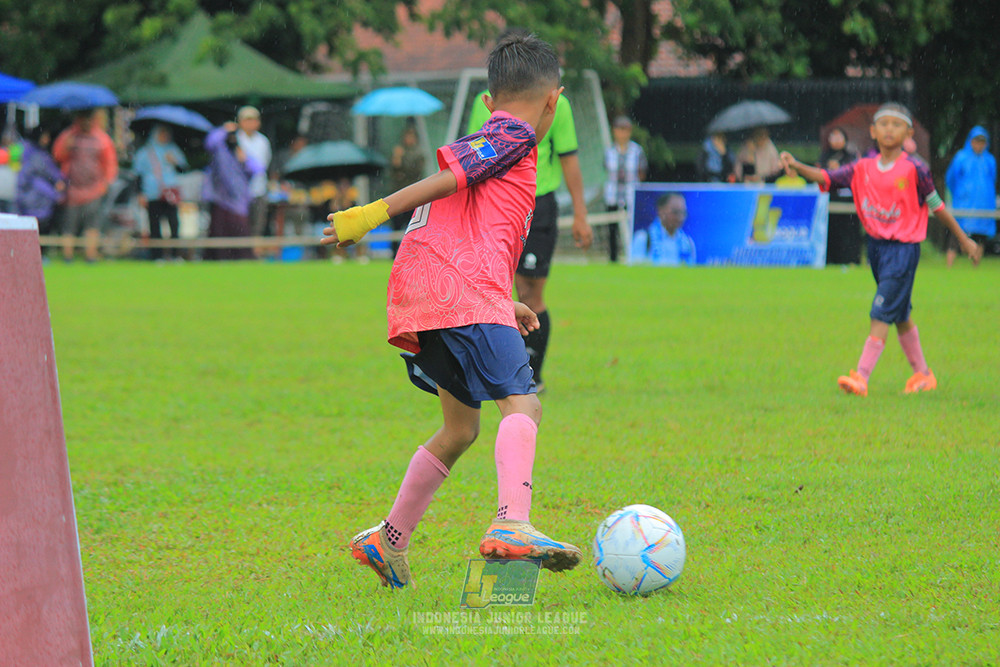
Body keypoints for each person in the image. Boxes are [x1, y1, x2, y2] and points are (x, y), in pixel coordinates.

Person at [323, 33, 582, 589]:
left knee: (460, 428)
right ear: (554, 103)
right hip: (455, 288)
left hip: (433, 290)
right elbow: (451, 177)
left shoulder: (495, 134)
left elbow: (467, 217)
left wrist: (502, 299)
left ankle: (387, 539)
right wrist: (372, 213)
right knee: (524, 405)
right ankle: (513, 523)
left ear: (487, 100)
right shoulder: (513, 132)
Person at [780, 102, 983, 396]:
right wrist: (798, 166)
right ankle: (923, 375)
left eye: (896, 124)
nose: (889, 129)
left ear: (908, 132)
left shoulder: (916, 168)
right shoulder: (861, 167)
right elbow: (826, 178)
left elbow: (937, 206)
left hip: (903, 250)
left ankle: (861, 377)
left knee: (880, 310)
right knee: (899, 315)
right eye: (883, 124)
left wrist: (964, 239)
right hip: (875, 249)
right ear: (873, 131)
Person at [467, 31, 593, 394]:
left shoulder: (559, 107)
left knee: (530, 293)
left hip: (539, 205)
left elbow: (569, 160)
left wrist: (581, 213)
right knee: (494, 292)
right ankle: (493, 369)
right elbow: (473, 162)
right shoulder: (482, 103)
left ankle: (530, 375)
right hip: (496, 206)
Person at [51, 109, 118, 262]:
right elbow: (57, 155)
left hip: (94, 190)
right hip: (72, 190)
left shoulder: (102, 139)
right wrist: (67, 145)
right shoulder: (68, 136)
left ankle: (90, 255)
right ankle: (67, 256)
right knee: (69, 225)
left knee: (92, 226)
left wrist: (106, 183)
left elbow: (109, 163)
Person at [202, 122, 263, 260]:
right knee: (219, 235)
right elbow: (210, 142)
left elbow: (259, 169)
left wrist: (245, 160)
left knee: (240, 235)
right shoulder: (220, 151)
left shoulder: (242, 153)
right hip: (221, 200)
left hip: (239, 203)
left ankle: (242, 260)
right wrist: (224, 129)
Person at [132, 124, 188, 260]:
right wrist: (140, 194)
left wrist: (174, 161)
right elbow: (138, 175)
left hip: (170, 193)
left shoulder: (172, 149)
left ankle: (175, 255)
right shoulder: (145, 152)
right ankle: (157, 256)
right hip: (153, 193)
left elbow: (183, 169)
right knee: (155, 226)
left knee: (174, 224)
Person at [945, 126, 996, 267]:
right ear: (970, 141)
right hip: (963, 204)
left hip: (983, 205)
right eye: (976, 141)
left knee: (980, 237)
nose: (979, 145)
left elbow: (992, 180)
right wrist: (960, 194)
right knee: (956, 235)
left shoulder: (990, 160)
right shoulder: (961, 157)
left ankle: (975, 266)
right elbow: (951, 179)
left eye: (982, 142)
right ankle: (949, 268)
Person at [602, 115, 647, 262]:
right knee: (612, 230)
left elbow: (642, 172)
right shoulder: (609, 151)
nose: (622, 134)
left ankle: (631, 257)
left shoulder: (637, 151)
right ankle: (613, 258)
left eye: (625, 130)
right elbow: (605, 171)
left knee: (631, 228)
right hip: (613, 196)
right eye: (619, 130)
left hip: (630, 196)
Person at [15, 125, 65, 236]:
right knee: (37, 229)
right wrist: (59, 181)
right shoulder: (37, 155)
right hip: (36, 197)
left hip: (27, 196)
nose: (47, 140)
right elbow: (49, 171)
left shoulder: (26, 149)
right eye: (45, 136)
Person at [236, 106, 272, 251]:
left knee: (258, 225)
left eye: (253, 120)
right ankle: (241, 254)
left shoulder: (263, 141)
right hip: (239, 191)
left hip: (259, 189)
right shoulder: (235, 139)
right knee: (240, 226)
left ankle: (255, 255)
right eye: (247, 120)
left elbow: (263, 165)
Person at [388, 120, 426, 257]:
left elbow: (414, 172)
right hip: (398, 194)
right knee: (396, 225)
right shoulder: (399, 151)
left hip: (413, 196)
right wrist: (397, 160)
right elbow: (394, 173)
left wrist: (402, 159)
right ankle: (394, 254)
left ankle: (413, 253)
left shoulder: (418, 153)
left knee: (412, 227)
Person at [630, 192, 695, 265]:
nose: (680, 217)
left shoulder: (688, 243)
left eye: (683, 213)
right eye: (675, 212)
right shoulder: (643, 239)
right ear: (661, 211)